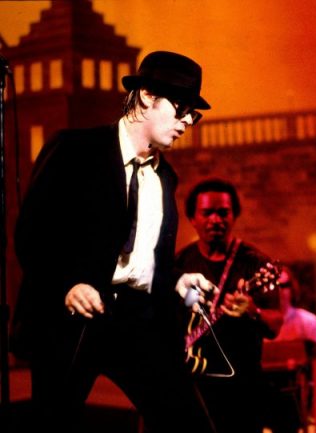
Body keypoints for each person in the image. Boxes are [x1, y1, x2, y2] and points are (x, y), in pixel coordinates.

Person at [10, 51, 217, 433]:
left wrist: (175, 280)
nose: (188, 120)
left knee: (190, 424)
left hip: (139, 322)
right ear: (146, 97)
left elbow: (141, 256)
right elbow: (32, 233)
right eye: (182, 107)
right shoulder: (75, 150)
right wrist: (68, 284)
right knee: (51, 424)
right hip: (76, 318)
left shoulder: (164, 177)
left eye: (195, 113)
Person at [175, 178, 283, 433]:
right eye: (207, 213)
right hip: (194, 386)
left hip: (242, 388)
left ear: (234, 216)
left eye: (223, 212)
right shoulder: (181, 264)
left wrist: (253, 311)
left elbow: (276, 325)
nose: (216, 219)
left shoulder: (256, 263)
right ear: (192, 218)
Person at [263, 266, 316, 433]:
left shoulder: (309, 322)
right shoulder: (257, 324)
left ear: (293, 288)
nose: (280, 291)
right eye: (275, 286)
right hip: (264, 399)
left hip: (300, 400)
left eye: (284, 286)